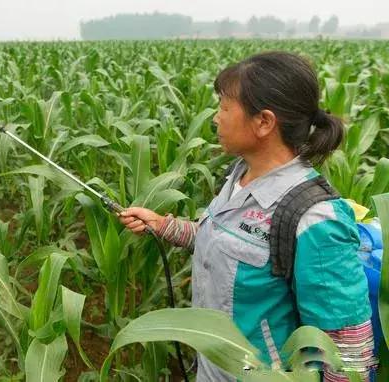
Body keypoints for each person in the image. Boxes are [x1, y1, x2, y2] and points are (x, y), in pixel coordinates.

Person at [118, 51, 376, 381]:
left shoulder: (315, 220)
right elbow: (224, 240)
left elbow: (348, 352)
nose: (215, 118)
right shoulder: (239, 175)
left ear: (264, 122)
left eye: (224, 108)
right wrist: (164, 225)